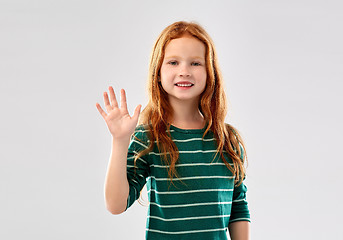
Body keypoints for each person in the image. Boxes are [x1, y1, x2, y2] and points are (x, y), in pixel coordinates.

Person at [96, 21, 251, 240]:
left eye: (196, 63)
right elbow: (115, 204)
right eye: (173, 62)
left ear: (210, 72)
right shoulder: (148, 138)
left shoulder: (227, 140)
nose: (184, 71)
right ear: (158, 72)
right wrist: (120, 141)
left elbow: (238, 207)